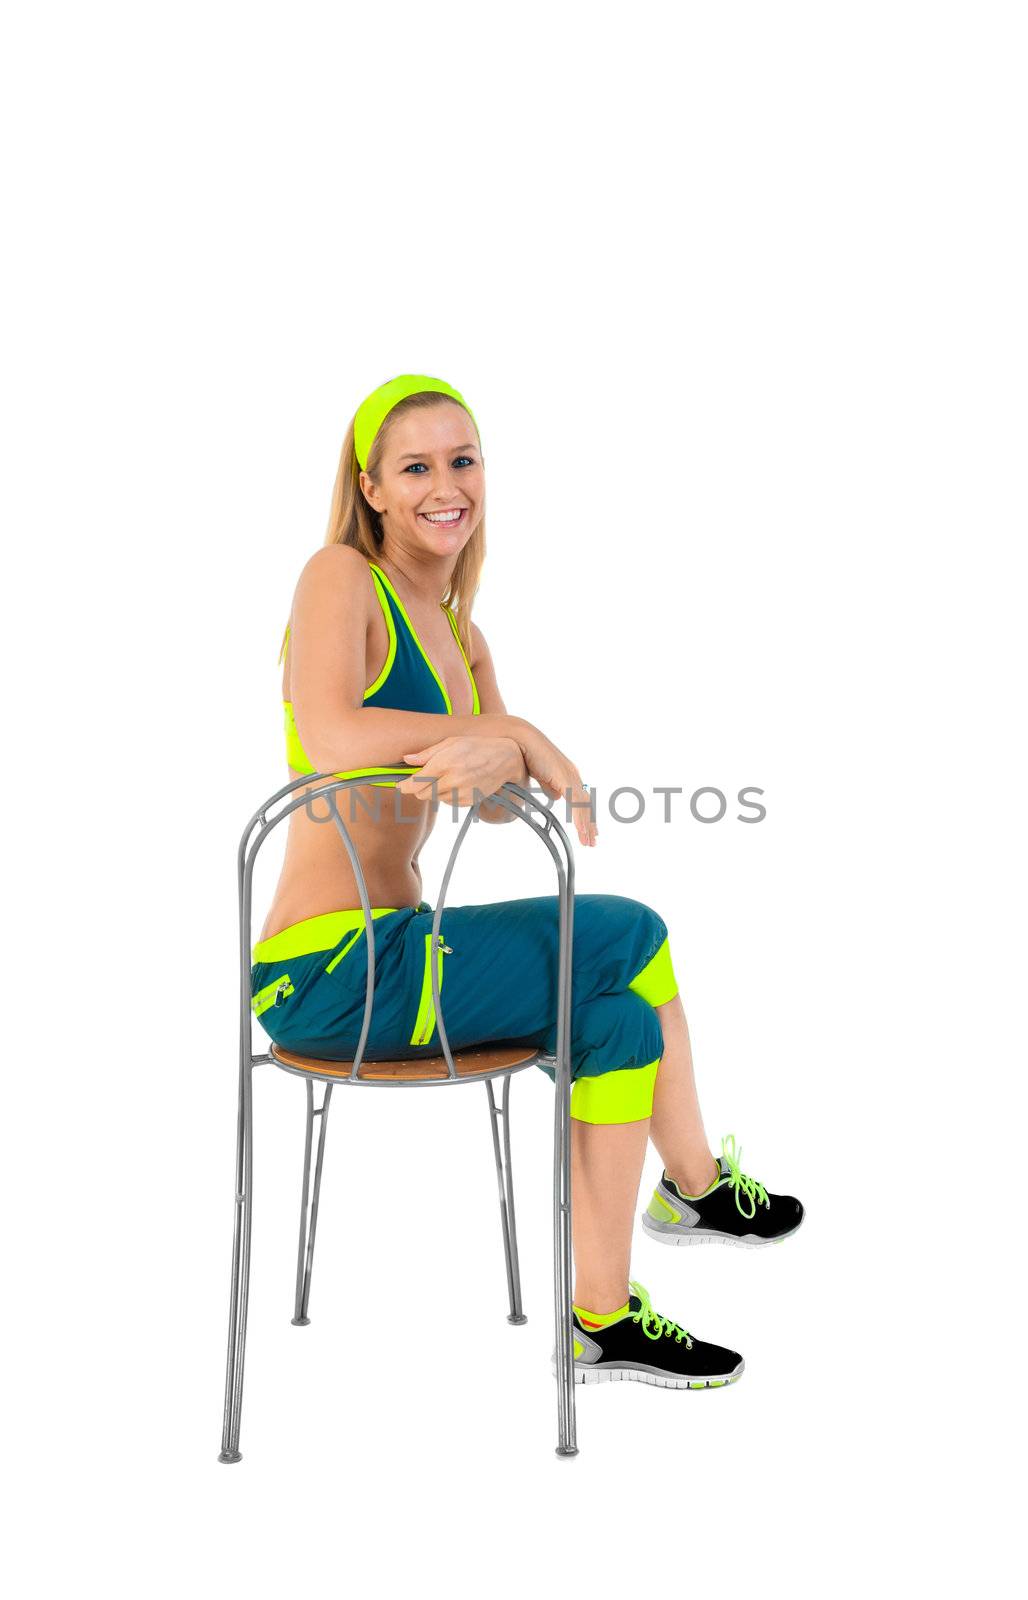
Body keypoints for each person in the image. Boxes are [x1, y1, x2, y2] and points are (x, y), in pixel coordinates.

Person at [251, 373, 804, 1391]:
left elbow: (496, 806)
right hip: (326, 975)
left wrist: (494, 756)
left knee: (618, 1026)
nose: (444, 484)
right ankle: (691, 1186)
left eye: (462, 460)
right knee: (630, 927)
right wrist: (510, 733)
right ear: (371, 487)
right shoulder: (339, 576)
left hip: (402, 961)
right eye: (414, 466)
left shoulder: (463, 640)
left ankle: (599, 1321)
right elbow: (331, 734)